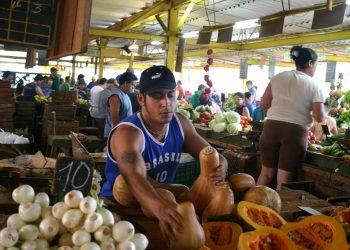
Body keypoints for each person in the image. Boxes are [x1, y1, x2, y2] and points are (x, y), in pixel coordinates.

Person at [101, 65, 227, 242]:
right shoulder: (127, 133)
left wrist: (221, 164)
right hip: (119, 210)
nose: (165, 102)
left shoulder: (180, 123)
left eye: (170, 95)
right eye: (157, 96)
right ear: (141, 99)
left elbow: (210, 153)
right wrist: (161, 210)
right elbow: (133, 177)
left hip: (164, 203)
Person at [257, 46, 326, 189]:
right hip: (295, 132)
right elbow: (319, 117)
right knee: (284, 179)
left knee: (266, 174)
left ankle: (251, 205)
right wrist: (326, 111)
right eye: (317, 64)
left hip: (271, 128)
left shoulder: (278, 77)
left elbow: (264, 103)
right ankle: (279, 210)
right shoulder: (314, 85)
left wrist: (280, 111)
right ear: (309, 63)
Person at [104, 72, 138, 138]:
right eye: (132, 85)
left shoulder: (125, 94)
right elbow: (115, 120)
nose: (133, 87)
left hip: (124, 131)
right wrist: (119, 136)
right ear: (125, 83)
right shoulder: (115, 97)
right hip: (116, 134)